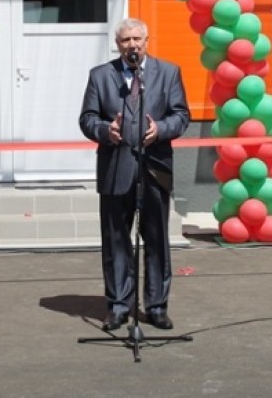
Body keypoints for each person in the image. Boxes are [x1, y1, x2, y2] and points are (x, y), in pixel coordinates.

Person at [79, 18, 190, 331]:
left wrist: (161, 129)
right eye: (126, 40)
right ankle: (118, 306)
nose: (132, 45)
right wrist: (105, 130)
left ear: (146, 41)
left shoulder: (168, 72)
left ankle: (156, 307)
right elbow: (87, 118)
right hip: (116, 168)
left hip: (154, 168)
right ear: (118, 44)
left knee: (156, 240)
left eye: (137, 39)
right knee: (116, 240)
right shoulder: (100, 76)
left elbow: (181, 115)